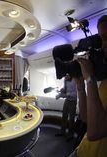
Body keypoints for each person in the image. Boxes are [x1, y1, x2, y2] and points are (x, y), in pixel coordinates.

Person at [69, 15, 107, 157]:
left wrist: (90, 78)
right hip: (81, 150)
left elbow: (95, 132)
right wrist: (80, 83)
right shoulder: (104, 82)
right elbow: (85, 118)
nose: (104, 45)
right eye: (103, 39)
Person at [55, 74, 77, 140]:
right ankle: (62, 132)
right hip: (67, 100)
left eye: (66, 76)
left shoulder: (75, 80)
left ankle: (70, 135)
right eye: (64, 76)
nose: (65, 77)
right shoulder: (65, 79)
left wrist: (65, 95)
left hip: (73, 101)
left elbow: (75, 94)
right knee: (64, 116)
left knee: (71, 119)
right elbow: (65, 89)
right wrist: (61, 91)